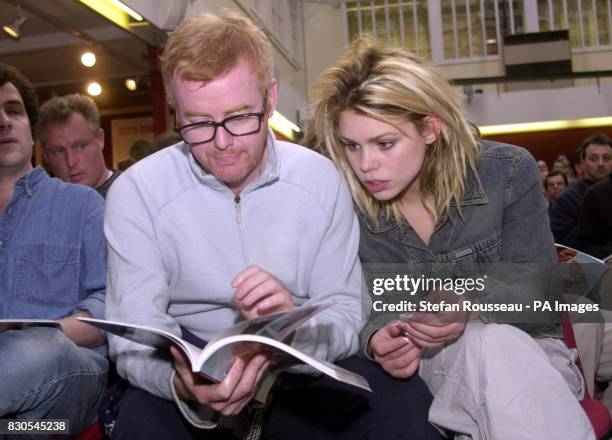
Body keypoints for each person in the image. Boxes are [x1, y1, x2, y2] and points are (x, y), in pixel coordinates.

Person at [103, 13, 440, 440]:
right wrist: (181, 385)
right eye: (198, 122)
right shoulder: (137, 191)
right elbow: (133, 332)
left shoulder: (321, 180)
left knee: (403, 408)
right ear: (175, 110)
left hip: (298, 367)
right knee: (140, 424)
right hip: (187, 364)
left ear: (271, 98)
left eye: (241, 117)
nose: (222, 143)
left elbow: (345, 313)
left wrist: (294, 326)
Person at [310, 36, 594, 439]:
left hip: (531, 357)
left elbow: (539, 297)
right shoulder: (345, 202)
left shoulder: (507, 172)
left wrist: (470, 300)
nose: (365, 165)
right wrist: (377, 338)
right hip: (429, 371)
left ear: (431, 127)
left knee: (488, 341)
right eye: (351, 146)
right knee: (485, 346)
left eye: (384, 143)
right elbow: (347, 305)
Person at [0, 64, 108, 433]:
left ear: (30, 126)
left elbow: (110, 310)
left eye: (13, 111)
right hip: (39, 426)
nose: (4, 122)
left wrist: (43, 328)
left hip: (70, 377)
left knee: (43, 347)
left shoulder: (83, 206)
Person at [36, 93, 121, 198]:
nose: (71, 162)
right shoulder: (41, 207)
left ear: (100, 139)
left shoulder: (134, 192)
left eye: (80, 146)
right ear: (45, 155)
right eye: (59, 151)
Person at [549, 133, 612, 245]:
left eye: (606, 158)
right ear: (582, 163)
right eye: (594, 158)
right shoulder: (565, 200)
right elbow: (564, 247)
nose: (601, 163)